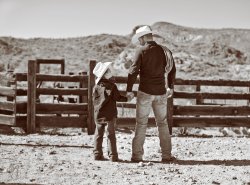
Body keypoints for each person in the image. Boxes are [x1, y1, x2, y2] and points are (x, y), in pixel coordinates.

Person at [126, 25, 176, 163]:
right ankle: (166, 156)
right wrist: (170, 87)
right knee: (163, 124)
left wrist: (129, 89)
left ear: (143, 37)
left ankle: (137, 156)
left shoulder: (141, 51)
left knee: (141, 124)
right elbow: (172, 69)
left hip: (145, 92)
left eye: (139, 39)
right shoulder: (165, 51)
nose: (139, 42)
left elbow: (132, 72)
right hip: (161, 93)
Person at [92, 62, 134, 162]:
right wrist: (127, 99)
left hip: (98, 114)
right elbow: (117, 97)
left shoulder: (96, 87)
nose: (111, 72)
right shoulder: (112, 86)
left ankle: (97, 154)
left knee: (98, 134)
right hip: (109, 115)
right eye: (108, 71)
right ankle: (113, 156)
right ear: (105, 74)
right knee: (110, 135)